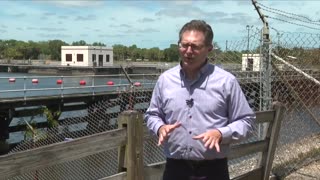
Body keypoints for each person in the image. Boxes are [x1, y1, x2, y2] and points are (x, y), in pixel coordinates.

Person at [145, 20, 255, 180]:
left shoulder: (226, 81)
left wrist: (221, 133)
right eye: (184, 45)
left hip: (213, 170)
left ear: (209, 48)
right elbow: (151, 115)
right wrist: (160, 127)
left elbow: (248, 122)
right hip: (175, 168)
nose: (188, 51)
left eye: (195, 46)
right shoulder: (165, 80)